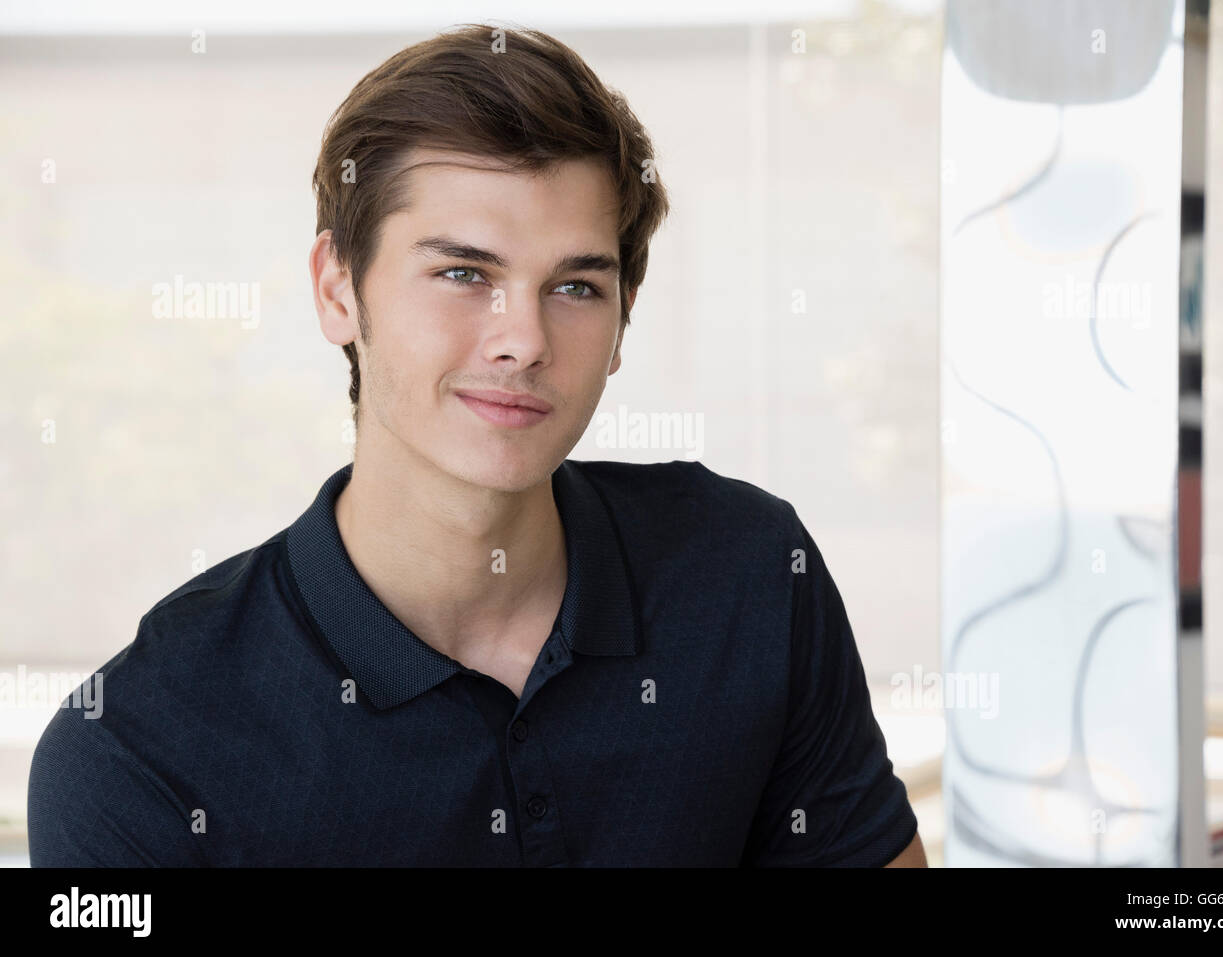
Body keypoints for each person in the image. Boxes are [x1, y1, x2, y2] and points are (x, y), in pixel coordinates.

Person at [27, 23, 925, 868]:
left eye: (575, 287)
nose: (523, 340)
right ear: (338, 288)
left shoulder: (751, 576)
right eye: (463, 272)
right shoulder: (138, 750)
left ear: (623, 321)